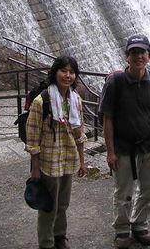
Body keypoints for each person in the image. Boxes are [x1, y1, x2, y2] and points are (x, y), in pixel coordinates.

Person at [99, 34, 150, 248]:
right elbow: (108, 118)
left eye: (142, 52)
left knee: (148, 190)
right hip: (123, 147)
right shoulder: (115, 82)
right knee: (123, 191)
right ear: (126, 56)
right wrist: (110, 151)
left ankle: (140, 224)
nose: (139, 56)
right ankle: (122, 229)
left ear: (149, 56)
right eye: (134, 52)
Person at [25, 56, 87, 249]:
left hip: (68, 159)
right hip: (49, 162)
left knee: (63, 203)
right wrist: (35, 168)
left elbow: (79, 133)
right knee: (48, 206)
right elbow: (33, 137)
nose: (67, 75)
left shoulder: (75, 100)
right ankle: (46, 243)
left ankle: (60, 237)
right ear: (55, 73)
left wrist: (82, 161)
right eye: (63, 71)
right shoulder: (41, 101)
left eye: (71, 72)